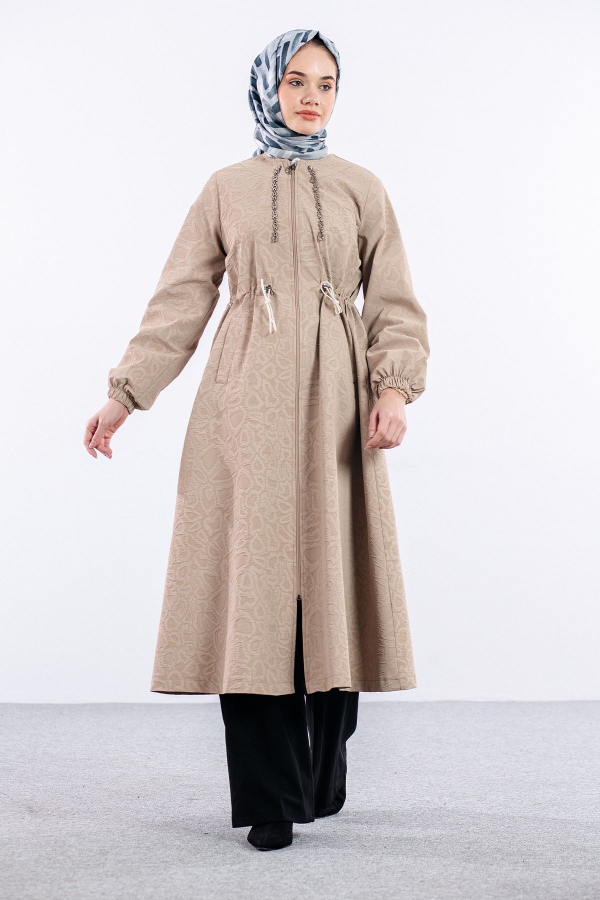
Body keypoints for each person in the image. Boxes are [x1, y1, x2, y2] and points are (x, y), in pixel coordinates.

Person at [84, 28, 430, 851]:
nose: (311, 97)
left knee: (334, 590)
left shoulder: (363, 188)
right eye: (296, 81)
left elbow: (394, 303)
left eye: (326, 84)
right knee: (253, 599)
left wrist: (393, 389)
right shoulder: (226, 189)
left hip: (339, 408)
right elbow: (181, 298)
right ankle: (270, 799)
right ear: (269, 88)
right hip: (246, 409)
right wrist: (125, 394)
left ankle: (321, 771)